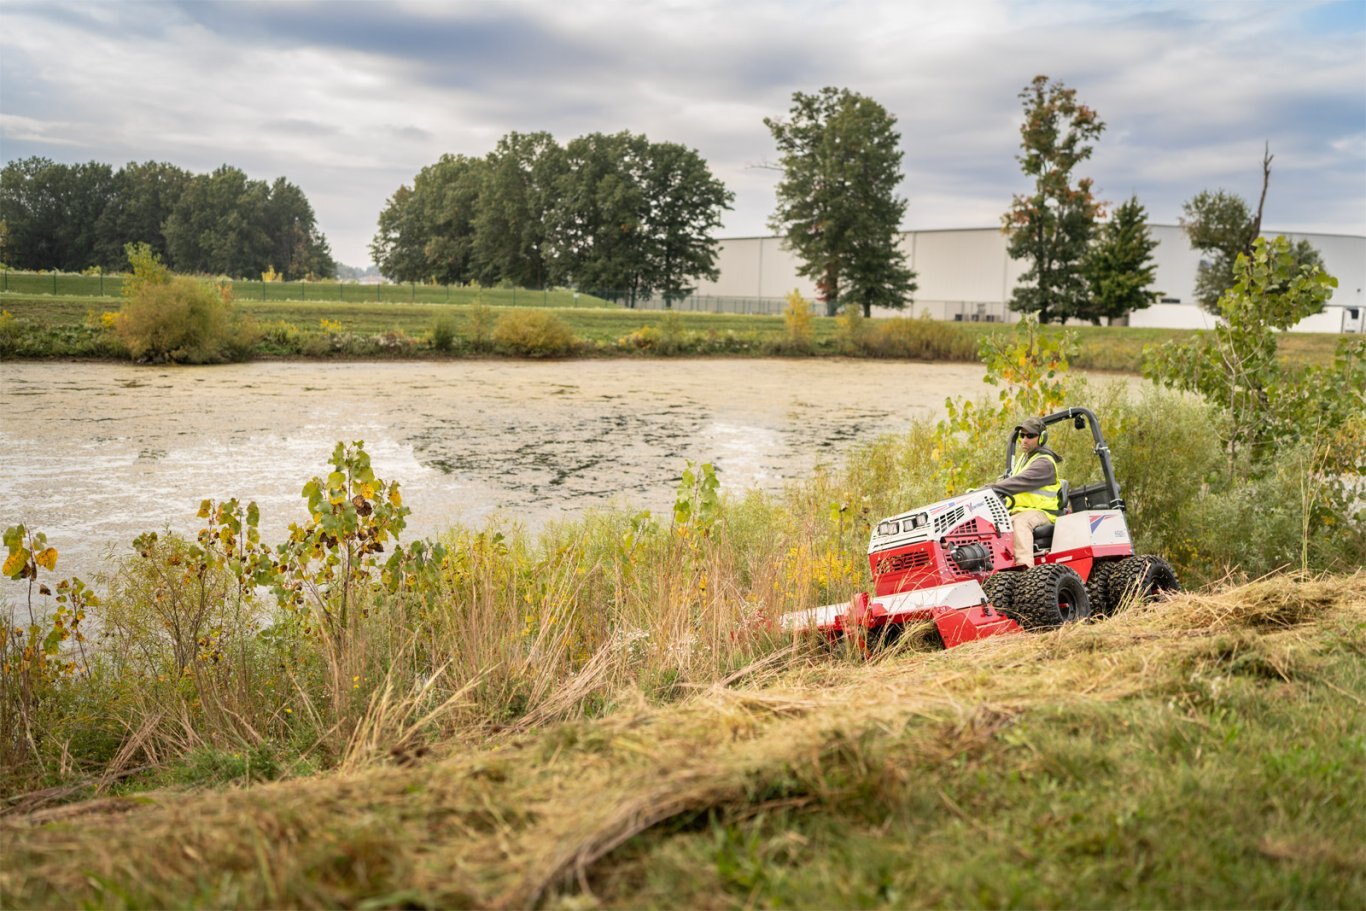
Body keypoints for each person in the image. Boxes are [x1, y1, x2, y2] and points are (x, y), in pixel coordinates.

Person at [991, 416, 1064, 567]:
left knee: (1020, 523)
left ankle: (1025, 570)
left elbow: (1018, 482)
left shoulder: (1044, 463)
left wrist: (990, 488)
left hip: (1043, 513)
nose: (1024, 439)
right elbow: (1008, 482)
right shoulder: (1023, 460)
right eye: (1022, 435)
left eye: (1030, 436)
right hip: (1022, 511)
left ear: (1042, 438)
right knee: (992, 526)